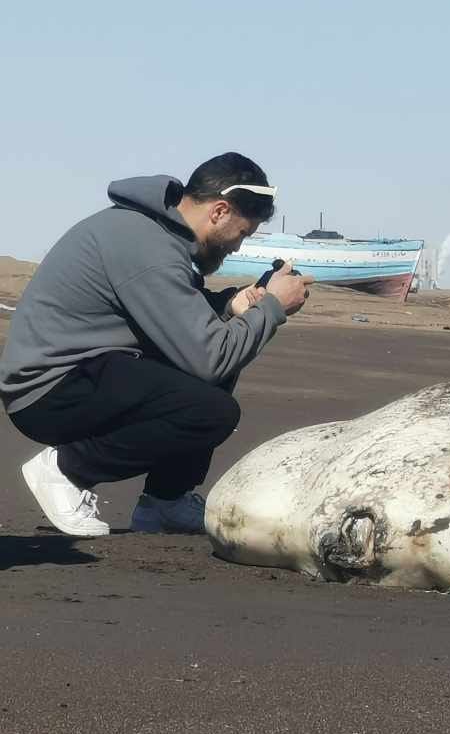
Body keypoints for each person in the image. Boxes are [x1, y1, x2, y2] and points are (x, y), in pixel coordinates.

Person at [0, 152, 315, 537]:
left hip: (87, 370)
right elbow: (211, 358)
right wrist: (272, 307)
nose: (238, 247)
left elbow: (175, 321)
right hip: (48, 391)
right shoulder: (148, 246)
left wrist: (233, 305)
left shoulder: (154, 233)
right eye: (243, 233)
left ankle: (166, 501)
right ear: (219, 211)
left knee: (204, 377)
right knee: (211, 410)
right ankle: (66, 469)